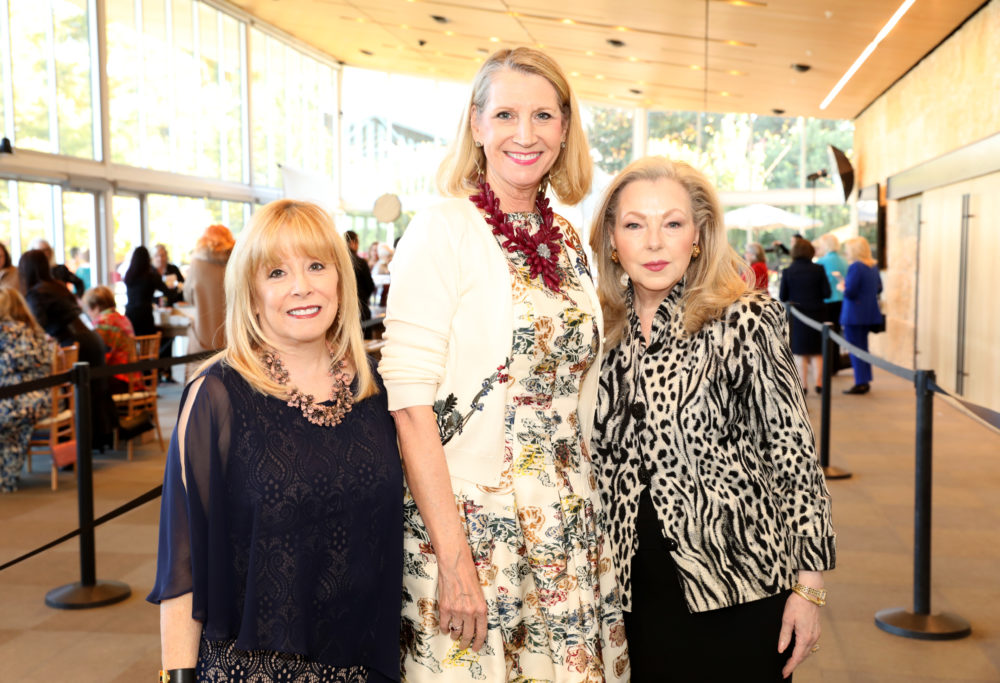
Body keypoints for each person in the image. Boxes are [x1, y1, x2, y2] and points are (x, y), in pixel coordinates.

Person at [380, 47, 629, 682]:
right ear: (477, 124)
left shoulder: (568, 238)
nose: (526, 134)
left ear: (566, 128)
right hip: (473, 526)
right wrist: (456, 563)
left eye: (544, 115)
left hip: (568, 518)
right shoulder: (443, 231)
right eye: (507, 114)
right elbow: (410, 409)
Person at [589, 156, 835, 682]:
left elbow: (793, 459)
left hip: (738, 591)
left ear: (697, 236)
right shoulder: (596, 329)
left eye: (672, 223)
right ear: (612, 239)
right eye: (635, 224)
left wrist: (809, 588)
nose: (654, 242)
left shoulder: (746, 318)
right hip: (625, 596)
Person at [147, 199, 402, 683]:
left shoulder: (374, 387)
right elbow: (182, 565)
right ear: (251, 290)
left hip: (364, 665)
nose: (302, 287)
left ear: (340, 278)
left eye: (316, 266)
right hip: (253, 669)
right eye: (277, 272)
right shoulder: (217, 396)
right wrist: (177, 677)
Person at [18, 249, 116, 451]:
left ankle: (75, 445)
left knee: (77, 394)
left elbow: (37, 327)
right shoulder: (57, 287)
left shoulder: (36, 293)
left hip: (74, 342)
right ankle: (96, 440)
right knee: (92, 392)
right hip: (90, 339)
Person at [0, 287, 55, 494]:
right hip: (40, 400)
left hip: (11, 403)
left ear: (0, 310)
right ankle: (0, 475)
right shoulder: (35, 331)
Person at [779, 238, 831, 394]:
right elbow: (827, 293)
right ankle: (819, 383)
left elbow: (782, 296)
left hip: (798, 316)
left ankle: (803, 385)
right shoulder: (819, 269)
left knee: (800, 352)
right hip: (817, 314)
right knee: (816, 351)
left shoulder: (788, 271)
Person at [838, 236, 883, 395]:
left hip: (854, 314)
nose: (846, 252)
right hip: (868, 312)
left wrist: (842, 287)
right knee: (863, 347)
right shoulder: (873, 266)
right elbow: (879, 288)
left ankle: (861, 381)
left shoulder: (856, 266)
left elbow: (850, 291)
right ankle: (864, 379)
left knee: (855, 348)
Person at [184, 225, 235, 357]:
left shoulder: (196, 264)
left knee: (202, 375)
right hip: (231, 336)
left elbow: (188, 296)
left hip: (204, 337)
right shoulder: (235, 261)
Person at [83, 285, 142, 395]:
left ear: (96, 307)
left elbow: (101, 358)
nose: (89, 315)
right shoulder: (123, 318)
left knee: (83, 383)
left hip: (119, 379)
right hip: (133, 377)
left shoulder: (102, 323)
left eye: (89, 310)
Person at [124, 245, 178, 336]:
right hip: (145, 316)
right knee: (149, 344)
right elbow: (168, 292)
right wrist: (175, 288)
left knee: (133, 344)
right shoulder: (151, 276)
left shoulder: (129, 276)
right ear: (148, 259)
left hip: (129, 315)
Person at [815, 234, 848, 379]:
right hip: (842, 300)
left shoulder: (822, 261)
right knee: (837, 334)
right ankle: (835, 364)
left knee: (828, 334)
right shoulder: (844, 261)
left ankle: (829, 365)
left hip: (828, 302)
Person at [344, 230, 375, 321]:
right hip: (361, 308)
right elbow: (370, 286)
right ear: (353, 242)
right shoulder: (361, 262)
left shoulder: (338, 262)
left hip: (344, 310)